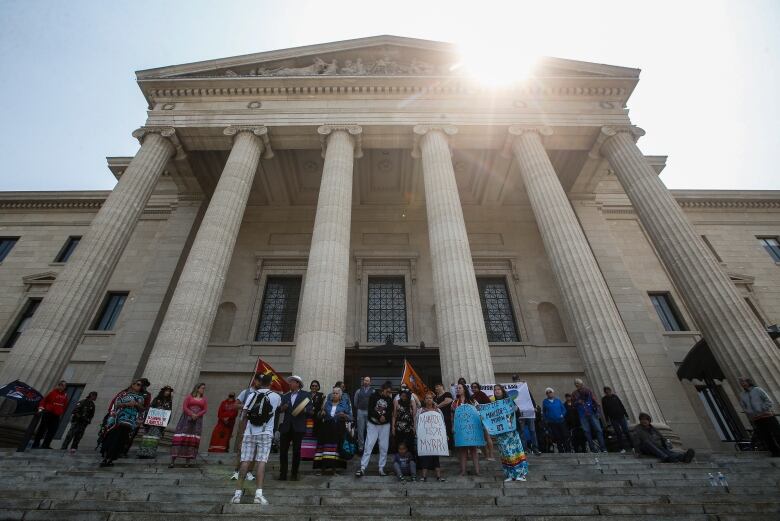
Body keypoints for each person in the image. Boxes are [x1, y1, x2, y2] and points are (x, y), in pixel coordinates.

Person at [231, 373, 281, 505]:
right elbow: (278, 409)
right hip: (266, 432)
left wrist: (242, 435)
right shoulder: (276, 396)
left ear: (260, 382)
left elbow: (245, 415)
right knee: (261, 462)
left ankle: (237, 494)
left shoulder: (252, 394)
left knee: (245, 461)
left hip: (250, 432)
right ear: (270, 383)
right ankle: (258, 494)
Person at [99, 380, 144, 467]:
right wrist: (127, 404)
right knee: (113, 438)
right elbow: (116, 404)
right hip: (119, 420)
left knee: (122, 440)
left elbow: (142, 409)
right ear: (132, 385)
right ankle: (105, 458)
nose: (139, 386)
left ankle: (111, 459)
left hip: (130, 422)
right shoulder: (123, 394)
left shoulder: (141, 398)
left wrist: (137, 405)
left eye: (140, 385)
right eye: (138, 384)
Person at [356, 381, 393, 477]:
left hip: (385, 425)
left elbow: (390, 412)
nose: (389, 394)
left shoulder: (389, 399)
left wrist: (385, 417)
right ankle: (362, 467)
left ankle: (381, 468)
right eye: (387, 391)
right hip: (373, 424)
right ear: (383, 389)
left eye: (390, 392)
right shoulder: (373, 396)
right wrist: (378, 416)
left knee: (384, 447)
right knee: (369, 445)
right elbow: (370, 409)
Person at [492, 384, 529, 481]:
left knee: (515, 451)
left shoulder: (509, 401)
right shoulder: (493, 404)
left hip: (511, 431)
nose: (497, 391)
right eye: (495, 390)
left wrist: (515, 409)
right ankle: (510, 474)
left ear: (502, 390)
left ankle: (521, 474)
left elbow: (517, 412)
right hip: (501, 432)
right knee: (505, 452)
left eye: (498, 389)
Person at [278, 375, 311, 480]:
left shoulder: (306, 395)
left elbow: (310, 410)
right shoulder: (285, 396)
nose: (290, 384)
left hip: (298, 427)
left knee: (296, 452)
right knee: (283, 451)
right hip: (286, 427)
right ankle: (283, 474)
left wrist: (303, 409)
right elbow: (279, 410)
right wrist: (283, 408)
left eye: (292, 382)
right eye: (290, 382)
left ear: (297, 384)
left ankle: (294, 474)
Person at [313, 386, 352, 475]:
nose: (334, 395)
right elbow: (319, 416)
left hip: (338, 429)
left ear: (340, 395)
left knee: (335, 449)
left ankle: (334, 470)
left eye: (336, 393)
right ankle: (322, 470)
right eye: (333, 393)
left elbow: (350, 417)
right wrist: (321, 413)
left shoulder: (344, 405)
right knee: (324, 449)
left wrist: (344, 416)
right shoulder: (327, 404)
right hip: (326, 429)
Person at [738, 377, 780, 457]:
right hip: (756, 418)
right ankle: (775, 452)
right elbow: (744, 406)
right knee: (766, 436)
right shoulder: (742, 395)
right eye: (740, 382)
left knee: (777, 433)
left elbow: (768, 401)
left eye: (743, 381)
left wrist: (762, 409)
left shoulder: (757, 390)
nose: (741, 383)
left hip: (767, 415)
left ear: (748, 382)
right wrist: (751, 412)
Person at [170, 382, 208, 468]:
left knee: (192, 438)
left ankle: (188, 461)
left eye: (204, 388)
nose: (203, 390)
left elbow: (205, 409)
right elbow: (185, 407)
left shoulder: (204, 399)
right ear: (197, 388)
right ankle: (173, 460)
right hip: (186, 420)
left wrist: (197, 415)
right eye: (202, 388)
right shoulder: (189, 397)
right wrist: (191, 414)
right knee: (181, 437)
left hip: (197, 421)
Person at [231, 375, 260, 481]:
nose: (260, 383)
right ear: (255, 381)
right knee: (241, 446)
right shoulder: (246, 392)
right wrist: (248, 406)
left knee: (255, 448)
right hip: (245, 421)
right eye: (259, 381)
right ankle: (237, 470)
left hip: (257, 423)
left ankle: (249, 472)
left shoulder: (262, 394)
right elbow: (235, 405)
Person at [452, 382, 480, 477]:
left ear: (464, 389)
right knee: (462, 451)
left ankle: (477, 471)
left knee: (473, 450)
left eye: (459, 388)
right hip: (461, 429)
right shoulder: (455, 402)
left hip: (472, 429)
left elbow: (478, 411)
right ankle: (463, 471)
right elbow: (453, 416)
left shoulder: (472, 401)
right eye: (457, 388)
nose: (458, 389)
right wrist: (453, 426)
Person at [417, 392, 446, 482]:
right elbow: (416, 423)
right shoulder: (420, 411)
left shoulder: (438, 411)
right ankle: (424, 476)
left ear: (433, 400)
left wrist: (444, 434)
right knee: (424, 457)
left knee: (435, 457)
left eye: (430, 398)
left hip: (435, 438)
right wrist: (417, 433)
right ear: (424, 400)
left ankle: (438, 476)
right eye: (427, 398)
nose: (429, 399)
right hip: (424, 438)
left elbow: (442, 423)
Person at [572, 378, 606, 453]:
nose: (577, 385)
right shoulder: (574, 394)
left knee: (598, 430)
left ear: (582, 384)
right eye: (576, 384)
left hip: (592, 413)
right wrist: (578, 402)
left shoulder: (588, 391)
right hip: (582, 415)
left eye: (578, 383)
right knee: (587, 432)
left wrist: (597, 412)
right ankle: (592, 449)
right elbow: (573, 405)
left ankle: (603, 448)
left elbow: (595, 401)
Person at [32, 380, 69, 449]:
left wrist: (61, 412)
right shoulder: (52, 393)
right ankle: (35, 444)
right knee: (42, 429)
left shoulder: (65, 395)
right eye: (60, 385)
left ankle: (45, 445)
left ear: (65, 387)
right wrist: (41, 408)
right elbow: (44, 401)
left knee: (52, 431)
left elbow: (65, 405)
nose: (61, 386)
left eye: (63, 385)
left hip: (56, 415)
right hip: (48, 413)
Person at [138, 385, 172, 459]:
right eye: (166, 391)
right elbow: (150, 408)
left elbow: (169, 412)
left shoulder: (169, 402)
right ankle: (142, 452)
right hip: (152, 421)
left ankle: (150, 453)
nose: (167, 392)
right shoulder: (156, 399)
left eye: (169, 392)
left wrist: (166, 422)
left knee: (155, 437)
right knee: (147, 436)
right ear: (163, 391)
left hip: (159, 423)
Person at [511, 375, 541, 455]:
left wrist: (534, 407)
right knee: (522, 431)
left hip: (529, 411)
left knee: (532, 430)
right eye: (514, 379)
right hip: (520, 413)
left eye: (517, 379)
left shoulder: (524, 387)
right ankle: (524, 449)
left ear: (519, 379)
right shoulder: (512, 389)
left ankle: (535, 448)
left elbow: (530, 397)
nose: (516, 380)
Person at [469, 382, 495, 460]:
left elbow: (489, 405)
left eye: (475, 387)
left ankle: (491, 455)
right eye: (472, 387)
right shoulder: (471, 397)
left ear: (478, 387)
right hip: (476, 419)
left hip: (484, 418)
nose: (474, 388)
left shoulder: (482, 394)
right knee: (481, 438)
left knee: (487, 436)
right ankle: (486, 455)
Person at [602, 386, 631, 453]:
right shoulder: (604, 399)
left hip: (621, 416)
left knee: (626, 431)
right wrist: (607, 420)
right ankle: (621, 448)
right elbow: (605, 410)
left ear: (610, 390)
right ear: (605, 392)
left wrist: (626, 415)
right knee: (618, 433)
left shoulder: (615, 397)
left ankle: (632, 446)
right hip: (613, 418)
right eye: (606, 391)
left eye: (608, 391)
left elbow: (621, 405)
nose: (608, 392)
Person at [301, 380, 324, 462]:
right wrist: (308, 410)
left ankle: (313, 455)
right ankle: (305, 455)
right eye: (313, 386)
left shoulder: (321, 395)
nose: (314, 387)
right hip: (307, 419)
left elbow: (322, 407)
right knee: (306, 437)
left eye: (316, 386)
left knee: (314, 437)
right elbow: (302, 406)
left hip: (316, 420)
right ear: (310, 386)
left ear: (318, 387)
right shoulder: (307, 395)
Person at [542, 388, 570, 453]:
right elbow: (544, 412)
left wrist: (562, 415)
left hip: (561, 421)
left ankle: (568, 449)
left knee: (564, 435)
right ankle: (561, 450)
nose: (549, 393)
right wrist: (546, 419)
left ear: (553, 393)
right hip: (552, 423)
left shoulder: (558, 400)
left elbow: (564, 409)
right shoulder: (545, 402)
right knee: (557, 437)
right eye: (547, 393)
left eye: (550, 392)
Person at [353, 376, 374, 453]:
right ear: (363, 381)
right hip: (360, 411)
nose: (366, 382)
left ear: (370, 382)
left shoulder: (373, 391)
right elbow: (355, 403)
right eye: (365, 380)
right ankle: (360, 448)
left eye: (368, 381)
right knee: (360, 430)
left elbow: (374, 403)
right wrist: (359, 408)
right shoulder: (358, 391)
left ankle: (368, 447)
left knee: (370, 430)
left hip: (369, 412)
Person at [393, 389, 416, 455]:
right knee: (398, 443)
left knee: (410, 444)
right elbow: (394, 415)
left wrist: (414, 426)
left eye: (405, 396)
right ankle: (398, 460)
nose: (403, 397)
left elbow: (414, 416)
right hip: (399, 426)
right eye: (402, 396)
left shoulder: (412, 402)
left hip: (409, 426)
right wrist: (393, 428)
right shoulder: (397, 402)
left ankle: (411, 460)